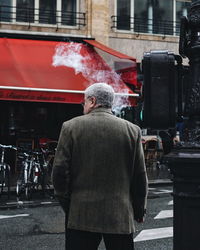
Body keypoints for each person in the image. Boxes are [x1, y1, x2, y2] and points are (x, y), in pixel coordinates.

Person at [52, 82, 148, 250]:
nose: (83, 106)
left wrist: (68, 204)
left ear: (92, 101)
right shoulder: (132, 130)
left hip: (81, 214)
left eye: (84, 102)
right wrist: (139, 210)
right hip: (120, 214)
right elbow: (139, 176)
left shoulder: (71, 127)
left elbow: (60, 172)